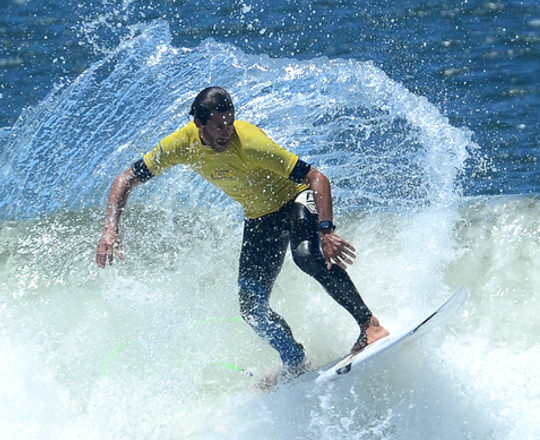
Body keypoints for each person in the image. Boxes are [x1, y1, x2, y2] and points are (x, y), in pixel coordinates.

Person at [96, 86, 389, 381]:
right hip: (260, 217)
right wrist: (110, 229)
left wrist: (326, 230)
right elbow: (127, 178)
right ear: (199, 123)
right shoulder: (181, 145)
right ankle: (295, 360)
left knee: (306, 256)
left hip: (295, 198)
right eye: (218, 126)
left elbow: (316, 177)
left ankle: (370, 325)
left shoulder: (249, 142)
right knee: (251, 307)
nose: (226, 132)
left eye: (230, 123)